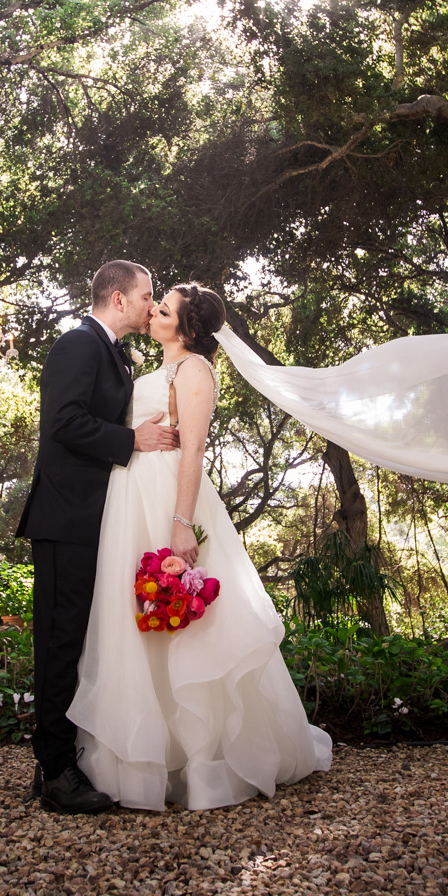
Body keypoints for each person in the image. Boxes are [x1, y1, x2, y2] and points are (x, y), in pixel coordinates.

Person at [67, 282, 333, 810]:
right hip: (130, 495)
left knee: (187, 627)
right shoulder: (150, 367)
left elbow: (194, 451)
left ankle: (206, 761)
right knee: (137, 621)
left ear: (187, 329)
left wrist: (181, 522)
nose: (153, 312)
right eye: (155, 304)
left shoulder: (194, 370)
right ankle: (143, 752)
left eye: (163, 310)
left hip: (166, 495)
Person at [15, 260, 180, 813]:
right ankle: (56, 772)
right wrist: (132, 439)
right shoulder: (78, 345)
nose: (150, 306)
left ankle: (61, 762)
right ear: (116, 299)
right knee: (60, 643)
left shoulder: (114, 353)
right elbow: (62, 422)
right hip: (66, 519)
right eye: (145, 296)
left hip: (95, 520)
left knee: (80, 642)